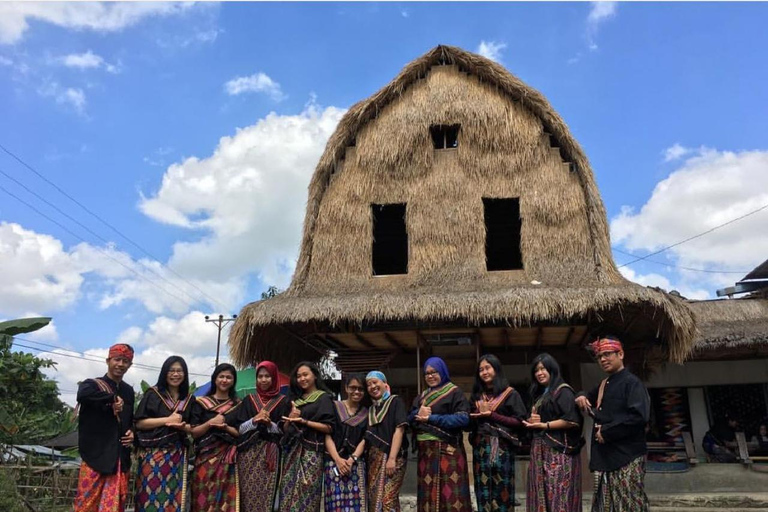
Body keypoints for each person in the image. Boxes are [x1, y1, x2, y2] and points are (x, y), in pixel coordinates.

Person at [575, 336, 651, 512]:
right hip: (605, 457)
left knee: (630, 504)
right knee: (605, 505)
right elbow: (586, 395)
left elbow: (639, 417)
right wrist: (581, 395)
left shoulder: (632, 383)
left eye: (607, 354)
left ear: (621, 354)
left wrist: (607, 432)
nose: (602, 359)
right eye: (599, 356)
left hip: (627, 455)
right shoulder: (603, 385)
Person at [73, 343, 136, 512]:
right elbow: (83, 395)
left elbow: (130, 419)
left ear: (130, 365)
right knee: (85, 505)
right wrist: (111, 399)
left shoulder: (129, 391)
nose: (120, 364)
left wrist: (132, 433)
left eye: (125, 361)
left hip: (119, 458)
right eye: (117, 360)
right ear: (108, 361)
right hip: (95, 456)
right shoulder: (92, 385)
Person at [408, 356, 472, 512]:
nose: (430, 376)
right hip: (426, 455)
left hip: (448, 452)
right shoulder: (421, 397)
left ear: (442, 371)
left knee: (452, 496)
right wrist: (418, 412)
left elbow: (463, 419)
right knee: (428, 495)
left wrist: (431, 418)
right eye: (427, 373)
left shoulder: (455, 393)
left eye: (434, 372)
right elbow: (409, 418)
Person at [524, 353, 583, 512]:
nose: (539, 373)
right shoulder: (541, 394)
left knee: (558, 494)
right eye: (536, 370)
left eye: (543, 369)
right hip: (541, 451)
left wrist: (545, 425)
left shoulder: (563, 391)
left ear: (552, 370)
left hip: (558, 454)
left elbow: (572, 420)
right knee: (542, 494)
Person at [134, 355, 194, 512]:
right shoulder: (152, 394)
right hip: (153, 454)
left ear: (185, 374)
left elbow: (193, 426)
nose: (175, 374)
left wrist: (183, 427)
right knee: (149, 496)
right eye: (171, 370)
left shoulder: (188, 399)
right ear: (164, 373)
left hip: (177, 455)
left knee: (174, 497)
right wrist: (167, 420)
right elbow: (140, 423)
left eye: (179, 371)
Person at [469, 354, 526, 512]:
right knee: (483, 489)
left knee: (502, 489)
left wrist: (492, 415)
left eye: (488, 368)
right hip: (481, 450)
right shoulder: (476, 397)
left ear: (496, 369)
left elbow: (519, 421)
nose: (484, 372)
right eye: (481, 370)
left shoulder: (510, 394)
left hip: (502, 450)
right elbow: (470, 423)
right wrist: (472, 417)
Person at [278, 361, 335, 512]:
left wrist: (304, 421)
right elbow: (285, 428)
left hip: (311, 454)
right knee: (287, 494)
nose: (302, 379)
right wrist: (291, 417)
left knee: (306, 494)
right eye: (298, 376)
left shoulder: (324, 399)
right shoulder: (293, 400)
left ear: (315, 376)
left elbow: (329, 427)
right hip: (291, 453)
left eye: (305, 375)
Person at [236, 361, 292, 512]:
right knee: (247, 493)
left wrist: (269, 424)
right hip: (248, 455)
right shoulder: (249, 400)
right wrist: (255, 420)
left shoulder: (283, 401)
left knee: (268, 493)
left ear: (274, 378)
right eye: (260, 376)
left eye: (267, 376)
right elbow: (240, 428)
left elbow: (284, 431)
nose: (263, 379)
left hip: (270, 454)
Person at [190, 363, 242, 512]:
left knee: (226, 499)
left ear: (233, 381)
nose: (224, 380)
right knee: (202, 497)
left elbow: (240, 433)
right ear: (215, 379)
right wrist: (210, 423)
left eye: (228, 377)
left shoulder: (238, 405)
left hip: (227, 459)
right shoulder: (200, 403)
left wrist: (225, 427)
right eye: (221, 376)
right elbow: (194, 432)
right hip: (204, 457)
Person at [324, 373, 369, 512]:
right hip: (333, 462)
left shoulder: (366, 413)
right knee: (334, 504)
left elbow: (365, 439)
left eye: (360, 389)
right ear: (346, 388)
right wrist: (337, 459)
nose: (356, 392)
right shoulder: (334, 407)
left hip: (355, 464)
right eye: (353, 388)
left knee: (357, 505)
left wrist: (352, 459)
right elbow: (327, 435)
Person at [365, 371, 408, 512]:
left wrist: (392, 458)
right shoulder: (371, 409)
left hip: (394, 457)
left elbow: (399, 430)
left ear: (385, 384)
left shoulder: (395, 402)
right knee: (374, 499)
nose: (372, 386)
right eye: (369, 384)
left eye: (375, 382)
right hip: (373, 460)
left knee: (387, 499)